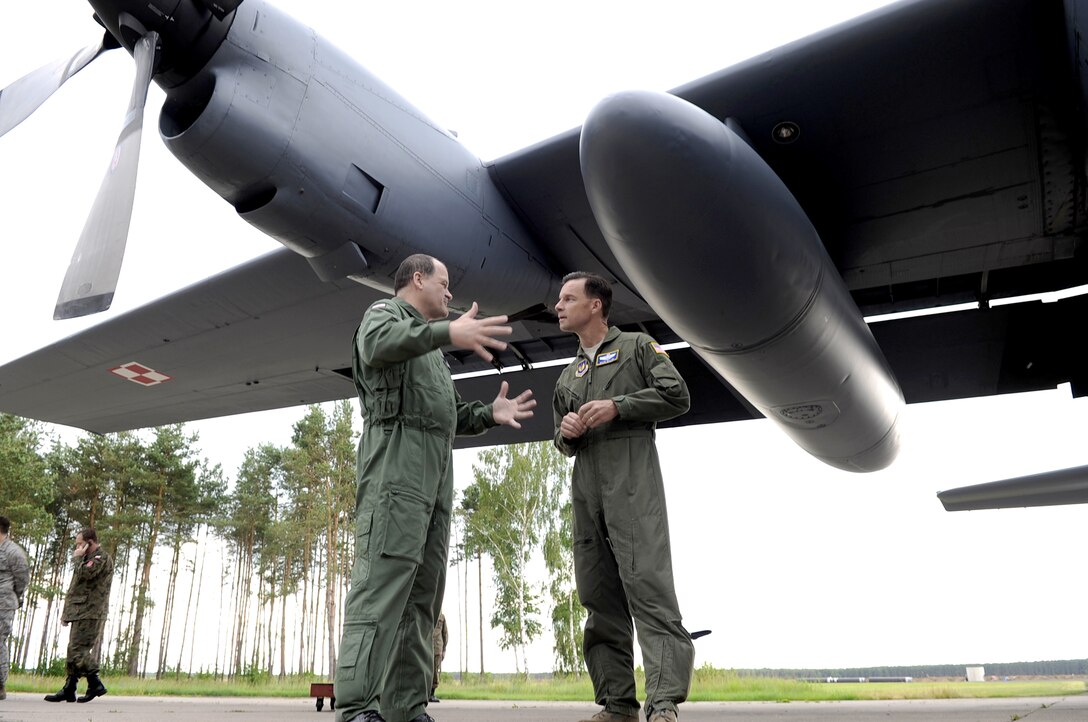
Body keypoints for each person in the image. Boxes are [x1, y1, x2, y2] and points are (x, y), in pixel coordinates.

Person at [335, 254, 536, 722]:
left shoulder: (431, 354)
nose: (449, 294)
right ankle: (359, 706)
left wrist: (489, 414)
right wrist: (449, 332)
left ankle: (406, 706)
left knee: (423, 595)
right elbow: (378, 346)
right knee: (381, 585)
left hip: (436, 474)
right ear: (418, 278)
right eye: (444, 284)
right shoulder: (383, 317)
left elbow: (449, 415)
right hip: (396, 468)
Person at [551, 272, 695, 722]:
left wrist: (620, 406)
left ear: (595, 305)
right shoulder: (567, 375)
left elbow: (678, 396)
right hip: (586, 487)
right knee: (598, 595)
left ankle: (663, 702)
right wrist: (567, 433)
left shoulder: (637, 347)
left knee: (648, 587)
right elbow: (559, 438)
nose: (558, 305)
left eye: (568, 297)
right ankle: (617, 704)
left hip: (632, 479)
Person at [45, 527, 113, 704]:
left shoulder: (101, 558)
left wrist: (76, 559)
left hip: (91, 611)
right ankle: (70, 688)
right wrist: (67, 613)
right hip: (79, 611)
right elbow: (75, 588)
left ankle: (95, 682)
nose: (78, 548)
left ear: (90, 543)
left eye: (80, 544)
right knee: (72, 650)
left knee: (78, 650)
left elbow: (87, 573)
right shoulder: (85, 559)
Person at [0, 515, 30, 701]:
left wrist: (13, 597)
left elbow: (22, 580)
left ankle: (0, 684)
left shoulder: (14, 552)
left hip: (3, 605)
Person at [429, 611, 447, 703]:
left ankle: (432, 693)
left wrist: (444, 650)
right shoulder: (427, 611)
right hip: (426, 645)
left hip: (437, 647)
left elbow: (445, 634)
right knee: (426, 670)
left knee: (435, 671)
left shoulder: (442, 617)